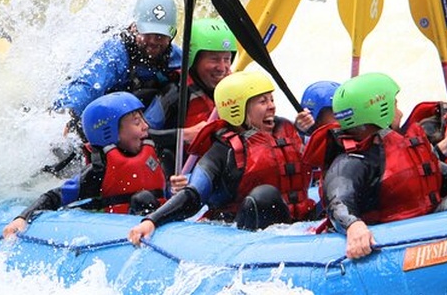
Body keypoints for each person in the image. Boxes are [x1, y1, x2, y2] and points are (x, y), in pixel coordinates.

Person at [302, 73, 447, 259]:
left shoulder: (400, 147)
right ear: (377, 110)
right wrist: (353, 225)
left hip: (420, 229)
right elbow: (338, 201)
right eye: (395, 104)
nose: (399, 112)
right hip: (390, 243)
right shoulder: (352, 161)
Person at [127, 71, 315, 245]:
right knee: (265, 197)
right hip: (241, 234)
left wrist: (306, 130)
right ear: (238, 109)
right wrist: (152, 220)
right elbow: (192, 195)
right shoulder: (221, 151)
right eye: (263, 101)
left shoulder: (287, 131)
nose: (272, 106)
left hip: (297, 225)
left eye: (272, 99)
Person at [47, 0, 182, 173]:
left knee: (175, 90)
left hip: (138, 122)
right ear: (134, 28)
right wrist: (68, 113)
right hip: (106, 120)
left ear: (171, 35)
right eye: (148, 33)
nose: (153, 41)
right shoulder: (116, 53)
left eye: (160, 36)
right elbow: (87, 85)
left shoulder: (173, 56)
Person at [3, 92, 168, 239]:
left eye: (143, 119)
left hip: (151, 224)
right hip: (117, 231)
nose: (146, 126)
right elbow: (54, 197)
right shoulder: (98, 173)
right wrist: (23, 217)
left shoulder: (156, 157)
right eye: (136, 122)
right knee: (143, 199)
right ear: (110, 132)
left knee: (146, 198)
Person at [146, 17, 237, 175]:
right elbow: (141, 136)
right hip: (181, 179)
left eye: (227, 59)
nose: (222, 68)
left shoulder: (237, 90)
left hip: (223, 174)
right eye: (214, 59)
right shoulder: (175, 93)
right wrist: (184, 135)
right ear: (193, 59)